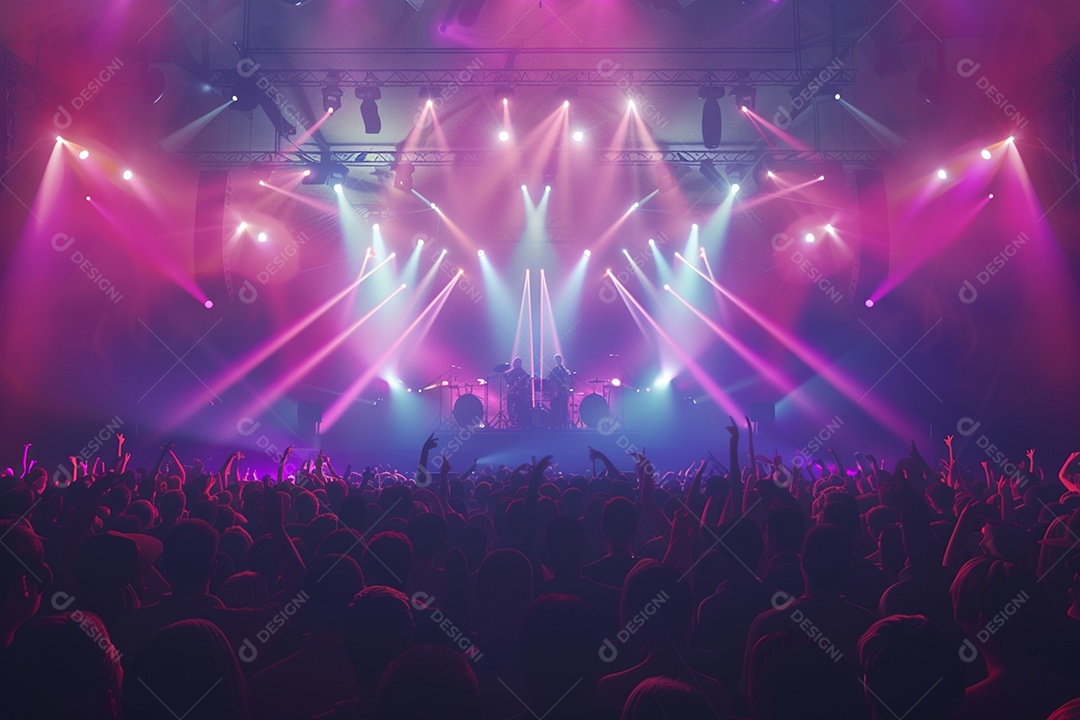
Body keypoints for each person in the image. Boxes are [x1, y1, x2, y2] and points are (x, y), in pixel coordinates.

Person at [547, 354, 573, 429]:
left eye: (559, 359)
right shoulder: (554, 370)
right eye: (557, 360)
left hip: (564, 391)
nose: (558, 361)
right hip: (557, 391)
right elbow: (550, 379)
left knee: (564, 407)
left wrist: (569, 389)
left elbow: (569, 379)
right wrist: (554, 387)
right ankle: (558, 423)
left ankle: (565, 423)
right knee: (557, 407)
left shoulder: (565, 370)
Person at [504, 357, 532, 428]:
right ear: (514, 363)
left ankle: (517, 422)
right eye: (516, 362)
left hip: (520, 394)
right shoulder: (510, 372)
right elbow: (507, 379)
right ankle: (511, 420)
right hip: (511, 392)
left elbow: (529, 378)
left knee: (518, 407)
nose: (518, 364)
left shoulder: (522, 372)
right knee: (509, 407)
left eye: (519, 362)